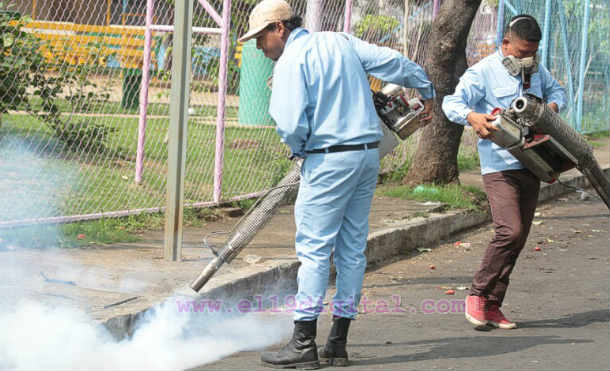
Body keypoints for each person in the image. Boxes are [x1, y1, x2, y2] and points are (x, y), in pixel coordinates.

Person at [238, 0, 434, 368]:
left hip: (328, 158)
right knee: (352, 249)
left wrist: (298, 148)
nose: (258, 47)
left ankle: (303, 342)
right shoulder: (340, 41)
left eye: (260, 38)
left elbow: (290, 122)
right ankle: (338, 342)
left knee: (313, 251)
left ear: (279, 28)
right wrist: (427, 88)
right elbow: (397, 64)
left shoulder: (290, 63)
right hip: (366, 154)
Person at [442, 14, 566, 330]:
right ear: (505, 43)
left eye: (531, 53)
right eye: (521, 53)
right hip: (499, 165)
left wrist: (549, 110)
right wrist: (472, 117)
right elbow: (451, 102)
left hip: (534, 162)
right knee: (508, 230)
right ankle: (476, 294)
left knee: (520, 236)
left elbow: (558, 92)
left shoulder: (537, 69)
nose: (526, 59)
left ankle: (493, 305)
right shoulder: (482, 72)